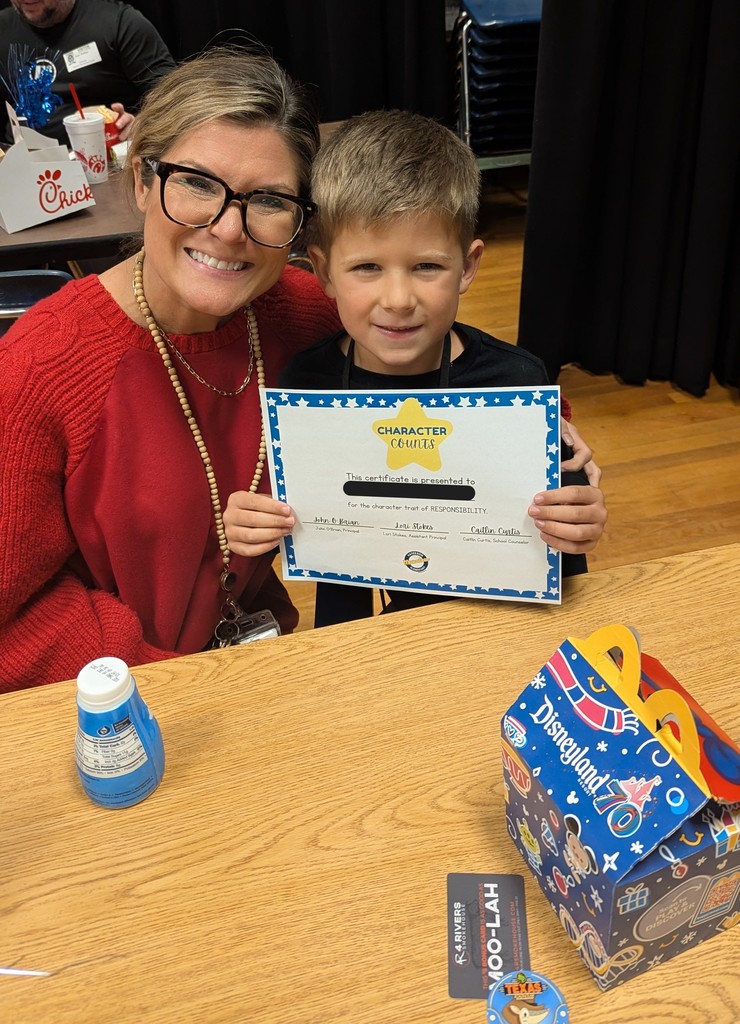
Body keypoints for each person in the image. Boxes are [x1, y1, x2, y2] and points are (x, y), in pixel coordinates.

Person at [0, 46, 344, 692]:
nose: (229, 228)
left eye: (268, 199)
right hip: (118, 707)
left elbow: (438, 363)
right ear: (140, 183)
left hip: (259, 673)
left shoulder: (300, 314)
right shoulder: (38, 371)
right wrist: (170, 678)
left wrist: (553, 448)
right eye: (195, 183)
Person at [224, 109, 608, 626]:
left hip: (497, 623)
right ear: (322, 271)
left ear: (468, 266)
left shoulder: (518, 385)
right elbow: (291, 517)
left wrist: (576, 522)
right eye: (367, 267)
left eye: (427, 266)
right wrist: (253, 524)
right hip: (355, 640)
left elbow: (565, 544)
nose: (399, 299)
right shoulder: (302, 387)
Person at [0, 0, 175, 145]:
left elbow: (176, 99)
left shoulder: (119, 23)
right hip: (21, 163)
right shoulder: (3, 27)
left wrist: (141, 124)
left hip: (106, 161)